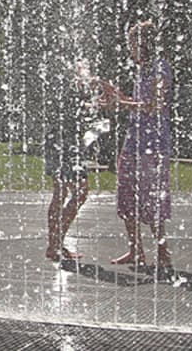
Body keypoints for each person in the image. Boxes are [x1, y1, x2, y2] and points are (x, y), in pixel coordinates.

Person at [101, 20, 175, 271]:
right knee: (127, 194)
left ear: (142, 44)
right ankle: (136, 250)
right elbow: (139, 103)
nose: (129, 48)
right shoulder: (142, 70)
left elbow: (153, 105)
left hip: (153, 143)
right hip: (134, 140)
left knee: (151, 196)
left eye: (132, 43)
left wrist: (122, 103)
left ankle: (163, 253)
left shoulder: (160, 68)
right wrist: (117, 98)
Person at [44, 59, 102, 261]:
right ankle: (56, 242)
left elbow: (75, 108)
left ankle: (54, 245)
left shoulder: (65, 88)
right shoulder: (71, 85)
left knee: (60, 193)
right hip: (64, 142)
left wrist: (90, 104)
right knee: (79, 192)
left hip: (58, 140)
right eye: (84, 69)